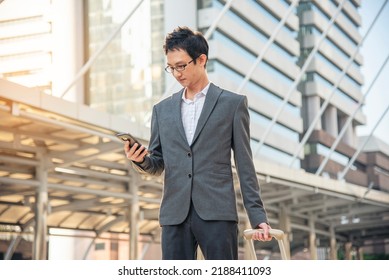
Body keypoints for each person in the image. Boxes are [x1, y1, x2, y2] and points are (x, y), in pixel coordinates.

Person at [124, 26, 271, 260]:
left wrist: (258, 217)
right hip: (174, 215)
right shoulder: (162, 110)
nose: (176, 73)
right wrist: (141, 160)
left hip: (217, 214)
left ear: (201, 60)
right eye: (171, 68)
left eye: (181, 66)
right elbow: (157, 163)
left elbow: (245, 165)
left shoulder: (232, 105)